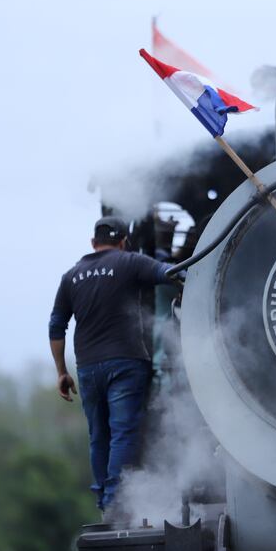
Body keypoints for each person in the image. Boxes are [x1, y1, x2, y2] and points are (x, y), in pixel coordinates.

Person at [49, 216, 175, 514]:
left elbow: (56, 326)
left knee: (99, 436)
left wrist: (61, 372)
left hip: (88, 367)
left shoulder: (71, 276)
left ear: (94, 243)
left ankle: (104, 501)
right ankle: (117, 501)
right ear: (123, 242)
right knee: (123, 432)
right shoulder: (130, 262)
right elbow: (169, 273)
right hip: (127, 362)